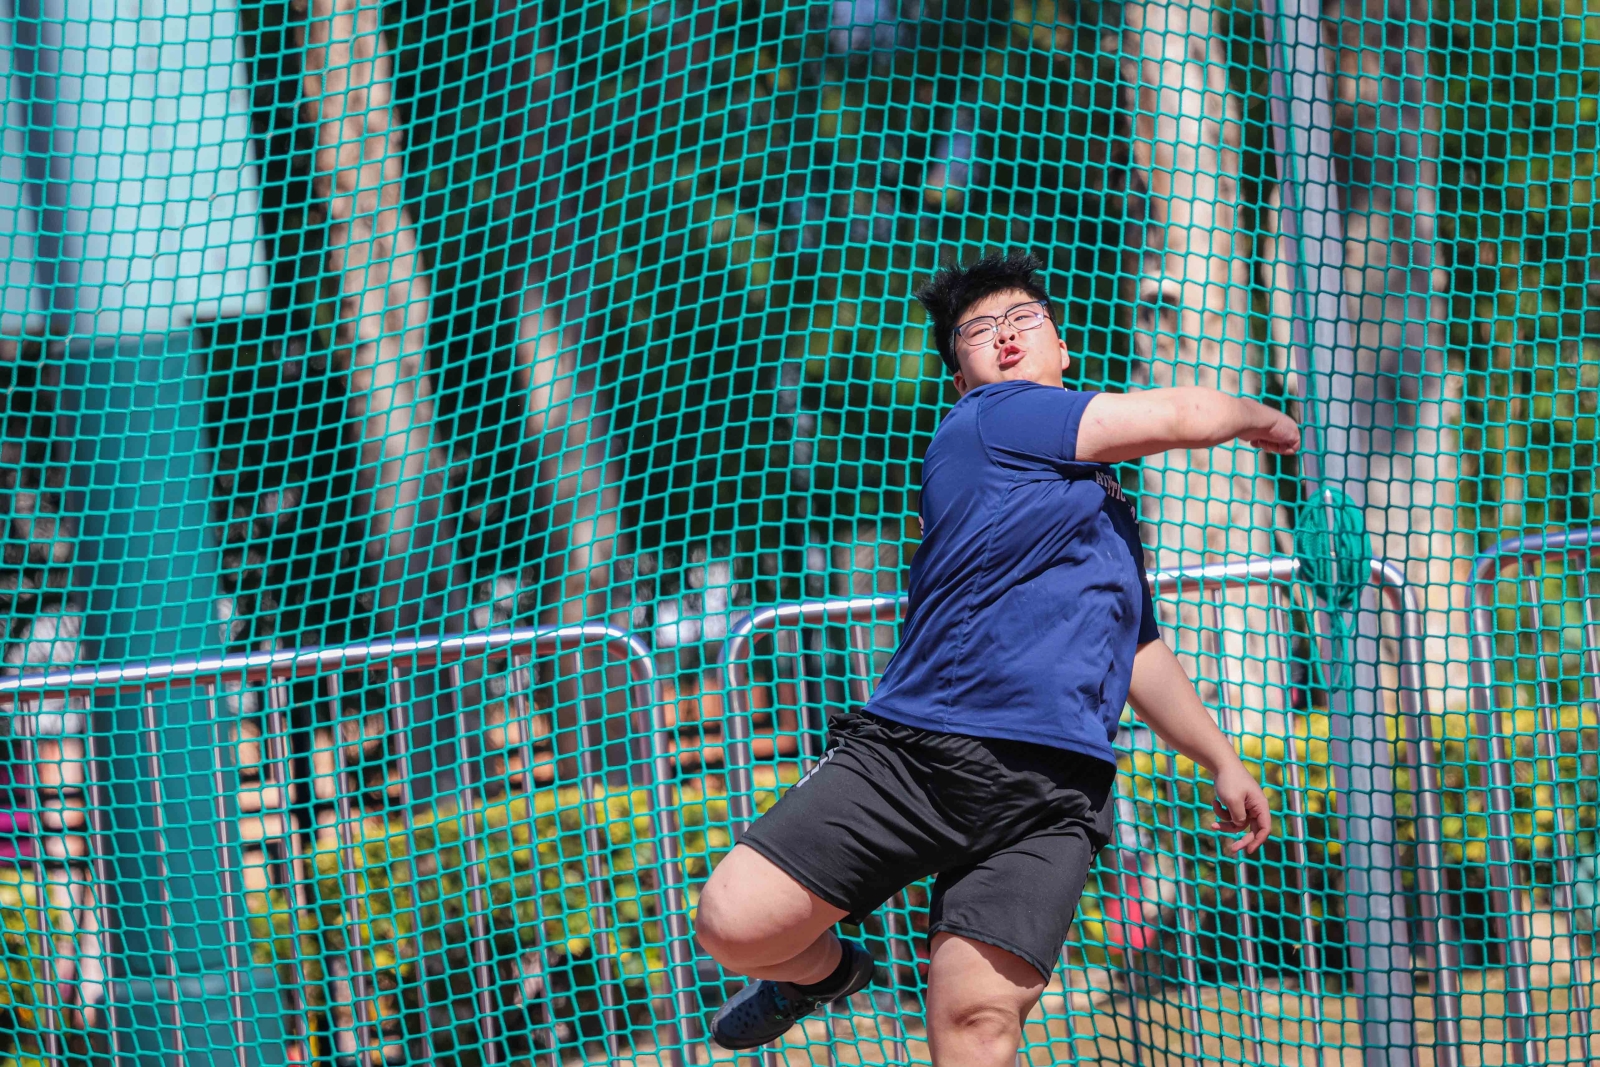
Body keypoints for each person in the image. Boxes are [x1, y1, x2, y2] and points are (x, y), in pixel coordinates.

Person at [695, 251, 1296, 1065]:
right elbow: (1185, 413)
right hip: (921, 753)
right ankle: (824, 974)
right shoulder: (993, 418)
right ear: (960, 378)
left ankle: (835, 977)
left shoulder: (1101, 505)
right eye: (979, 332)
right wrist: (1265, 419)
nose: (1006, 338)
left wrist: (1221, 758)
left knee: (977, 1022)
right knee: (733, 922)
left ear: (1063, 345)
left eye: (1023, 320)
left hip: (1050, 793)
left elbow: (1135, 647)